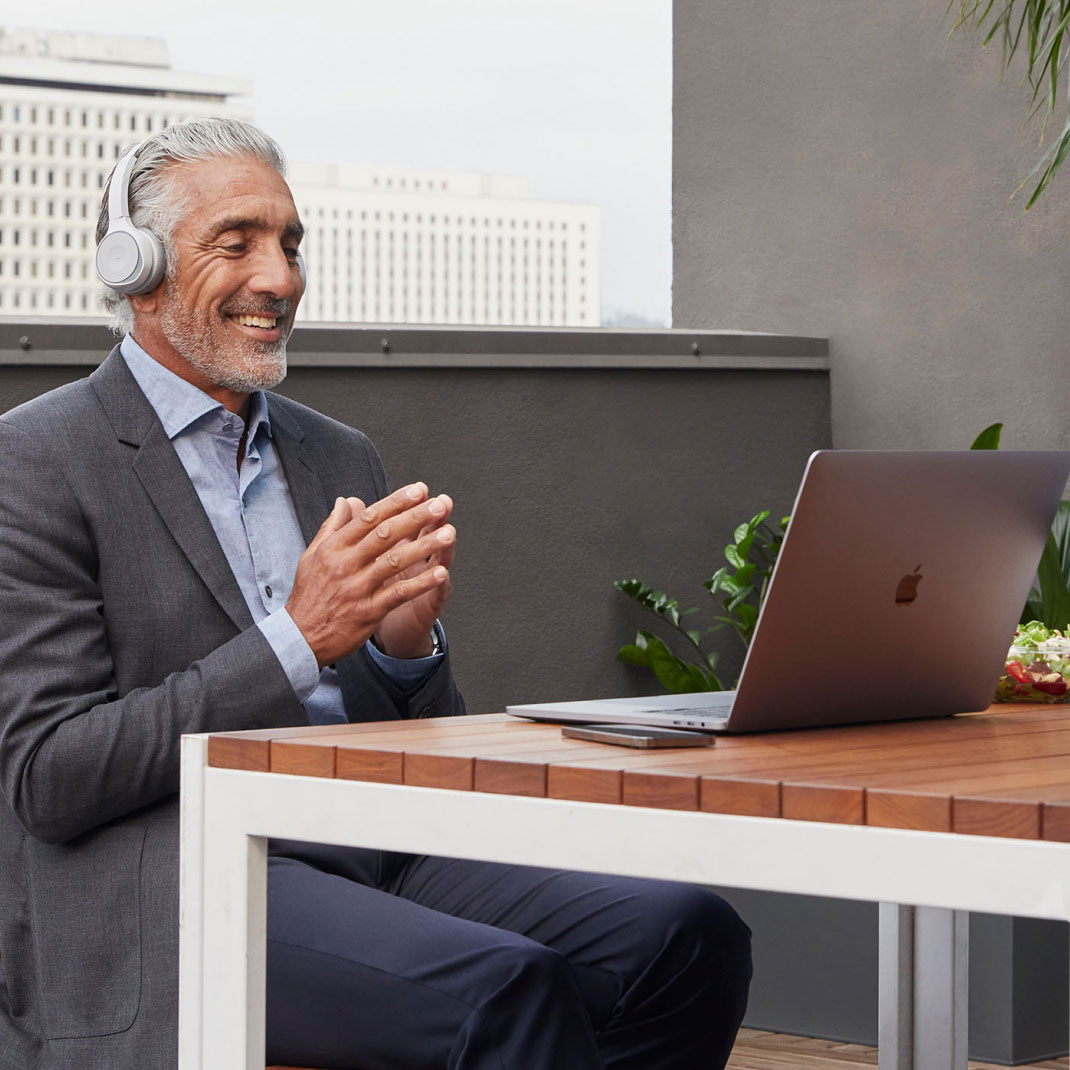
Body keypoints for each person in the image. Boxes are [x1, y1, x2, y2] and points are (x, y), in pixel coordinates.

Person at [0, 117, 751, 1070]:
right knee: (505, 993)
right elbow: (49, 778)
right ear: (135, 264)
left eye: (290, 244)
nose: (281, 278)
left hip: (369, 844)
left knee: (687, 937)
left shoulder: (335, 453)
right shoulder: (35, 461)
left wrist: (404, 654)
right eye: (237, 242)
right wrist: (298, 639)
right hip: (181, 878)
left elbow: (422, 733)